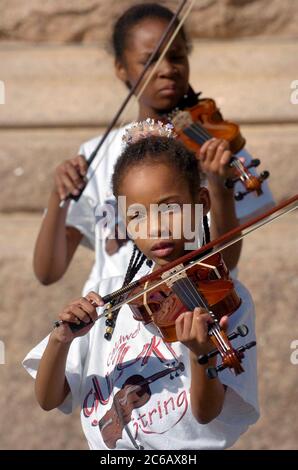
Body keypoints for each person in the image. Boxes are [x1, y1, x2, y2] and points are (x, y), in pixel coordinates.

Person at [23, 122, 259, 450]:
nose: (157, 227)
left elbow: (207, 414)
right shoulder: (110, 297)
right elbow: (49, 399)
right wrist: (60, 339)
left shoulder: (227, 300)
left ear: (202, 202)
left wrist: (202, 356)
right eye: (137, 216)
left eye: (171, 208)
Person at [33, 2, 274, 295]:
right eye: (150, 60)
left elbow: (226, 259)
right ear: (121, 68)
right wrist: (58, 196)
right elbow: (48, 271)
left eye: (177, 57)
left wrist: (218, 184)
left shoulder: (216, 149)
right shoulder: (96, 154)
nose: (167, 70)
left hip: (189, 311)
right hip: (112, 320)